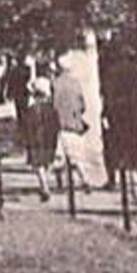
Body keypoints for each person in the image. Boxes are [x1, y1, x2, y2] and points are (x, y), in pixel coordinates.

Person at [101, 41, 137, 191]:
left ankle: (112, 180)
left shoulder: (111, 72)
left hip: (118, 112)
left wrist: (106, 112)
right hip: (136, 112)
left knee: (112, 146)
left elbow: (107, 93)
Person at [52, 58, 92, 194]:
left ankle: (60, 185)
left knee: (59, 158)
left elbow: (52, 106)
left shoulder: (55, 84)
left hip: (59, 124)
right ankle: (85, 180)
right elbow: (83, 106)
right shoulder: (76, 84)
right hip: (75, 125)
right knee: (77, 157)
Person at [23, 76, 61, 201]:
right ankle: (45, 185)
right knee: (46, 162)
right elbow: (56, 126)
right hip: (49, 140)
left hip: (35, 140)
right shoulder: (52, 109)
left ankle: (44, 187)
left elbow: (28, 127)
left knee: (38, 164)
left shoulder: (31, 109)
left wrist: (26, 140)